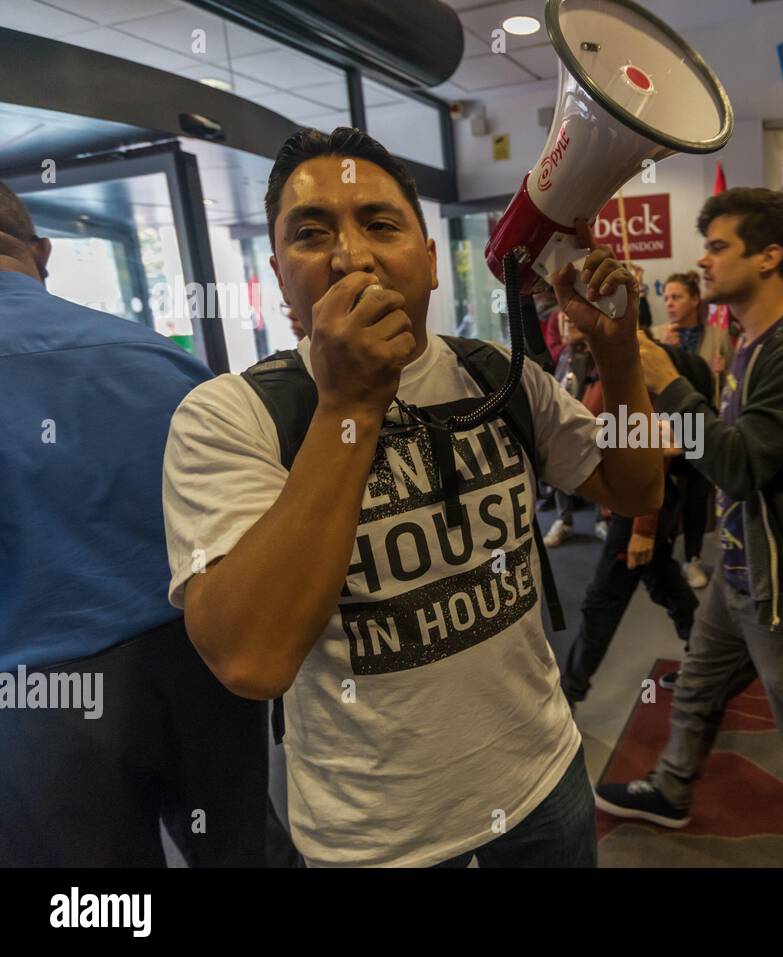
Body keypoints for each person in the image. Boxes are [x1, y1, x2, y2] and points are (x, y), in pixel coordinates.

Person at [161, 127, 662, 868]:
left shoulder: (498, 374)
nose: (351, 254)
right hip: (378, 841)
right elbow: (251, 658)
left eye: (380, 224)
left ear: (430, 262)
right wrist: (348, 407)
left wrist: (618, 361)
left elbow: (634, 485)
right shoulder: (226, 417)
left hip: (545, 783)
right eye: (311, 233)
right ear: (278, 274)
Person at [0, 182, 294, 867]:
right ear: (42, 251)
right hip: (201, 664)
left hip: (38, 700)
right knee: (245, 852)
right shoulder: (157, 356)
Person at [596, 187, 783, 869]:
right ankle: (670, 786)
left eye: (720, 246)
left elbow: (742, 465)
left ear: (771, 256)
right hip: (744, 564)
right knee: (696, 681)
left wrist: (669, 387)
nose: (704, 260)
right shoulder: (757, 344)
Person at [562, 335, 713, 703]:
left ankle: (570, 694)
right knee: (667, 588)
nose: (562, 319)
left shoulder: (632, 355)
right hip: (627, 505)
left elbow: (652, 444)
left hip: (639, 510)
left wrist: (643, 527)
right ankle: (710, 666)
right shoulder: (591, 357)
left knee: (602, 604)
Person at [662, 269, 730, 588]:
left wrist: (722, 370)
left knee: (696, 496)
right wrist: (664, 351)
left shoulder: (717, 336)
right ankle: (660, 555)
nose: (670, 304)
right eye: (666, 298)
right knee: (665, 496)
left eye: (676, 297)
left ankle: (692, 557)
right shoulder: (660, 336)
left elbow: (730, 386)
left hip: (702, 424)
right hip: (667, 429)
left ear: (694, 300)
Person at [542, 308, 597, 547]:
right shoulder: (566, 355)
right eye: (565, 318)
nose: (568, 320)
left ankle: (605, 518)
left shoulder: (597, 355)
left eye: (573, 318)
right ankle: (564, 520)